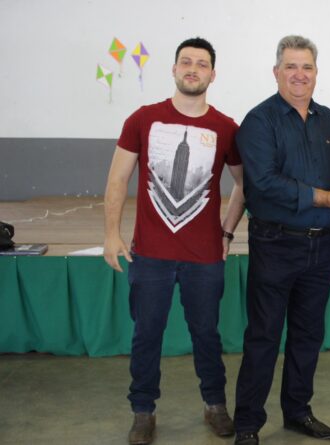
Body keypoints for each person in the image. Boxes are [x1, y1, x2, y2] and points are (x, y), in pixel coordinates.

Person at [103, 37, 245, 445]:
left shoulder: (225, 127)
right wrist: (111, 234)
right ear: (174, 68)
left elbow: (243, 184)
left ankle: (214, 404)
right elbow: (117, 179)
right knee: (146, 335)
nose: (193, 69)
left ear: (212, 74)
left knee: (207, 334)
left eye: (202, 64)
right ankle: (143, 411)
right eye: (186, 62)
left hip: (204, 256)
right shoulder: (143, 119)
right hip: (151, 255)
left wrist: (227, 231)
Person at [232, 35, 330, 445]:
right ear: (276, 72)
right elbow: (264, 185)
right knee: (264, 336)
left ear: (316, 73)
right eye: (291, 66)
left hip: (322, 246)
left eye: (306, 67)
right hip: (275, 244)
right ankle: (248, 423)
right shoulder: (258, 122)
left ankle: (298, 412)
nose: (299, 74)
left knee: (308, 336)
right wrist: (324, 197)